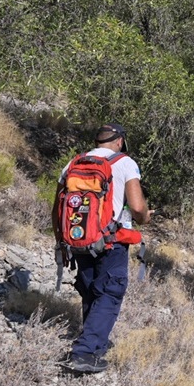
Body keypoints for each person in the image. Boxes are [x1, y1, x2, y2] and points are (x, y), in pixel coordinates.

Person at [54, 123, 151, 373]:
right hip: (111, 240)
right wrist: (145, 218)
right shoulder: (125, 162)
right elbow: (138, 208)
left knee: (90, 290)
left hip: (78, 237)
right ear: (120, 141)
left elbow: (58, 208)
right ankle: (84, 353)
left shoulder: (73, 164)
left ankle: (95, 343)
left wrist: (61, 242)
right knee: (109, 292)